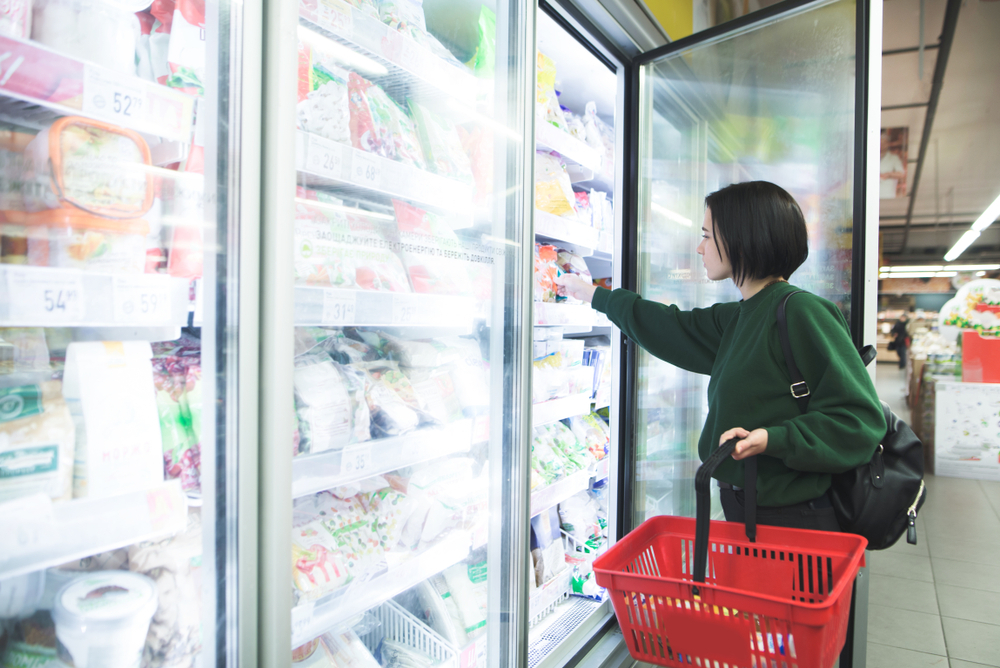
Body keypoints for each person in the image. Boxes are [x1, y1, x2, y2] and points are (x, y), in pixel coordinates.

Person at [555, 181, 886, 532]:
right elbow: (671, 328)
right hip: (748, 510)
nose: (700, 248)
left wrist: (775, 438)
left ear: (742, 239)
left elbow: (860, 421)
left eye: (707, 236)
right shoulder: (741, 315)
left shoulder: (802, 312)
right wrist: (593, 295)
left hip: (793, 519)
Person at [879, 130, 906, 199]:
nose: (881, 145)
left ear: (887, 143)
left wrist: (889, 174)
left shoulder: (894, 158)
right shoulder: (870, 156)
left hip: (887, 193)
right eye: (880, 142)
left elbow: (901, 174)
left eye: (884, 143)